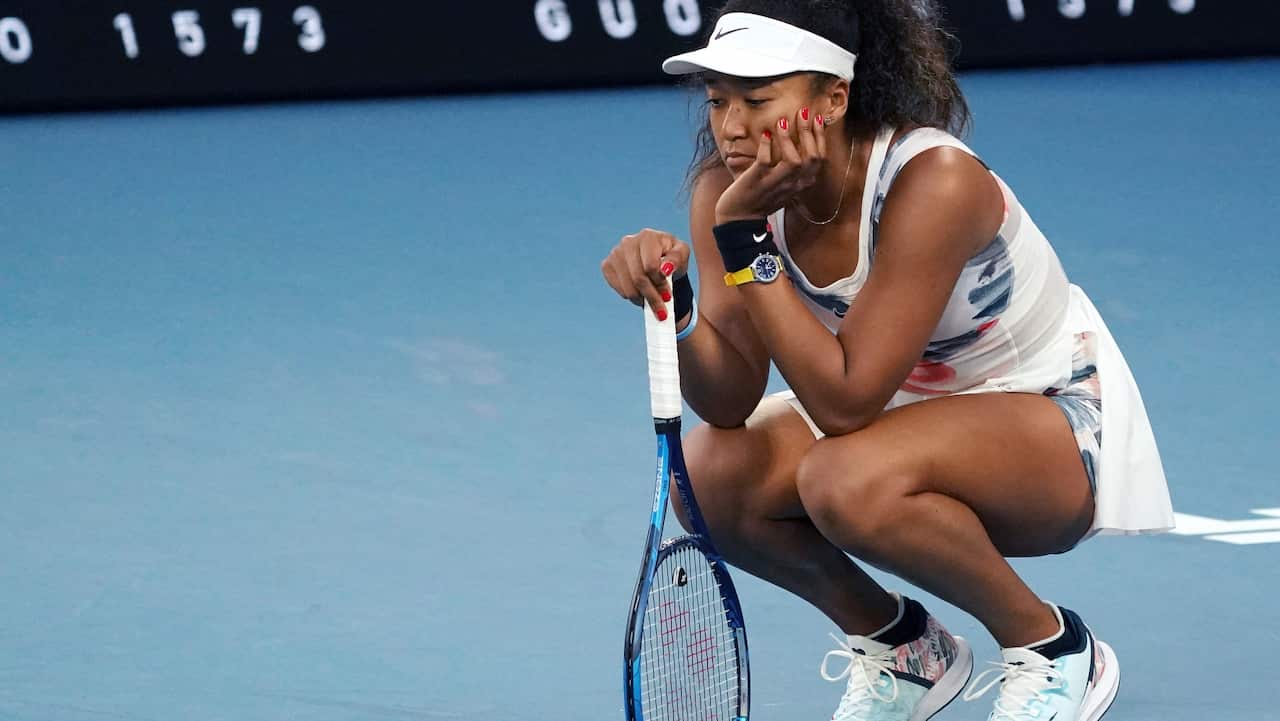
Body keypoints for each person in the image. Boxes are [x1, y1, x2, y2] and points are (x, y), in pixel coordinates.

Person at [600, 1, 1174, 720]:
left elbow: (844, 404)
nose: (732, 126)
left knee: (842, 478)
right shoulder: (726, 191)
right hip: (902, 414)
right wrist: (678, 306)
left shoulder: (933, 182)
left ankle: (1052, 646)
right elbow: (729, 400)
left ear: (834, 97)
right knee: (710, 477)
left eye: (757, 99)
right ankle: (904, 649)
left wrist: (747, 245)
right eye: (718, 102)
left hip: (1049, 429)